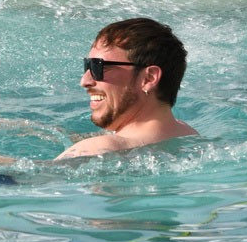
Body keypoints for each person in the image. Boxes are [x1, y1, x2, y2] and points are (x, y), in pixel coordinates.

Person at [55, 17, 197, 159]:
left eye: (97, 67)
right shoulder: (189, 137)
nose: (84, 81)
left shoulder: (95, 149)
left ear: (149, 79)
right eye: (87, 66)